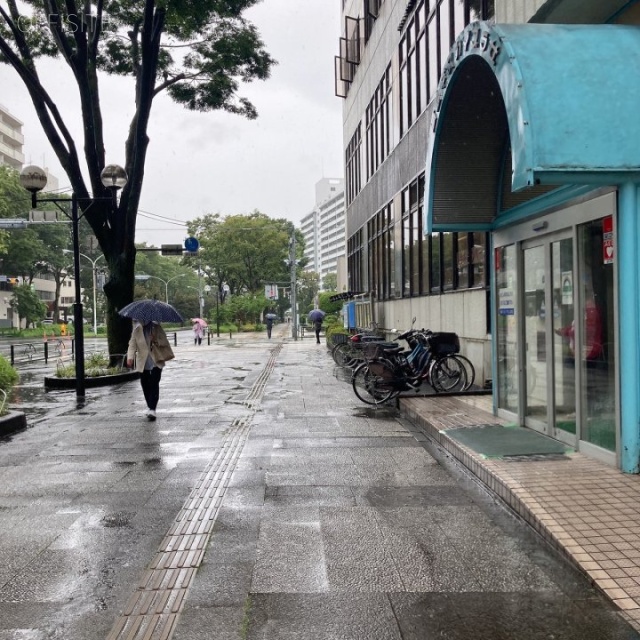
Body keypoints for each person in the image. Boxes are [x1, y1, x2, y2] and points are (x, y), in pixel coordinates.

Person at [127, 320, 174, 421]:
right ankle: (150, 405)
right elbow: (132, 344)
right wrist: (130, 357)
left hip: (156, 360)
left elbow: (165, 341)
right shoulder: (136, 329)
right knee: (145, 384)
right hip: (143, 361)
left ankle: (152, 408)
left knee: (154, 382)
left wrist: (155, 339)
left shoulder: (156, 327)